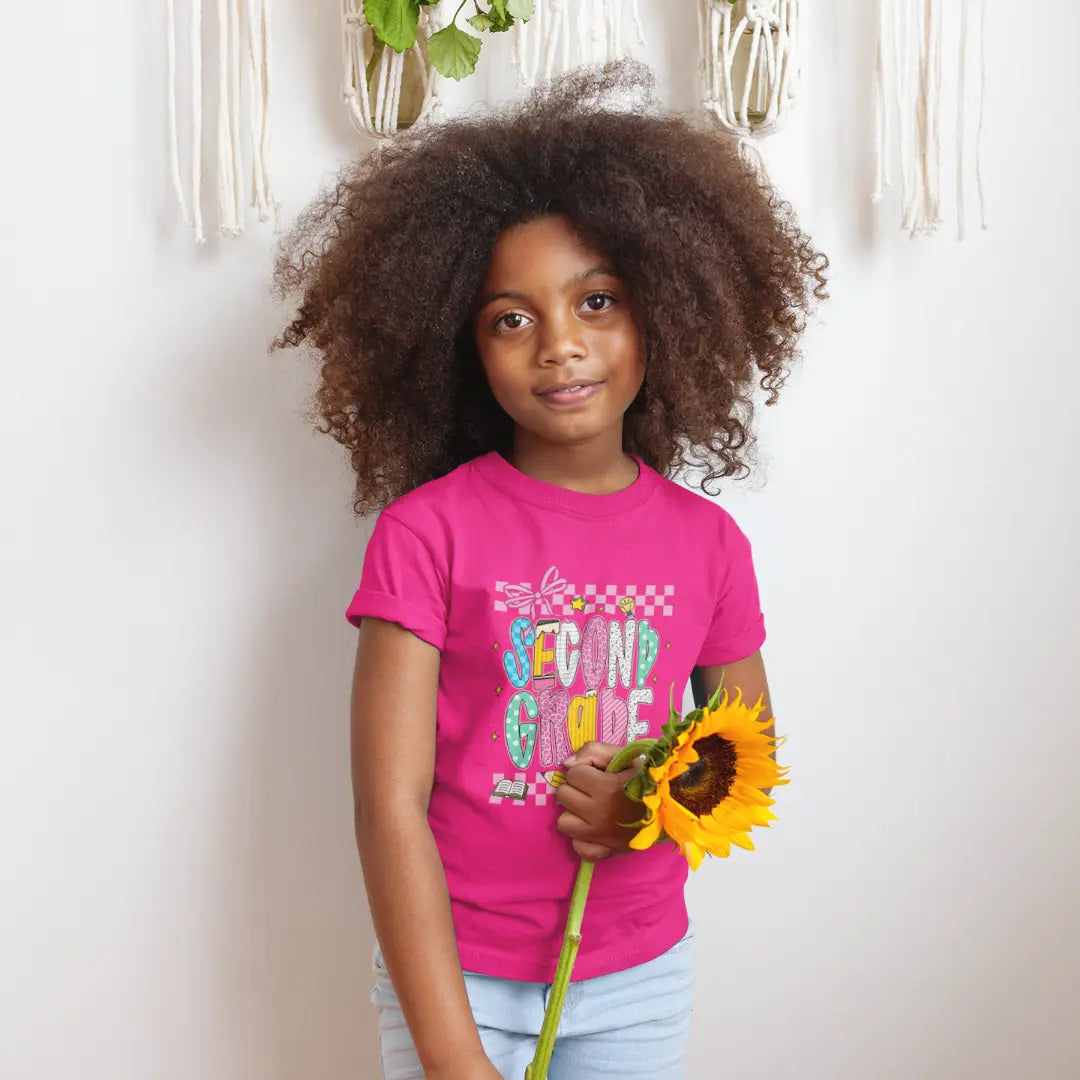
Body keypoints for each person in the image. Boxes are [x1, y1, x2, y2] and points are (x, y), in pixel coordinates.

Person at [273, 60, 826, 1080]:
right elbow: (388, 808)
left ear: (665, 311)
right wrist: (452, 1055)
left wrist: (648, 805)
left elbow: (743, 750)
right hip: (454, 982)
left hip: (637, 979)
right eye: (511, 318)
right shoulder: (427, 534)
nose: (560, 346)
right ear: (462, 346)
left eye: (597, 301)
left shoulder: (707, 543)